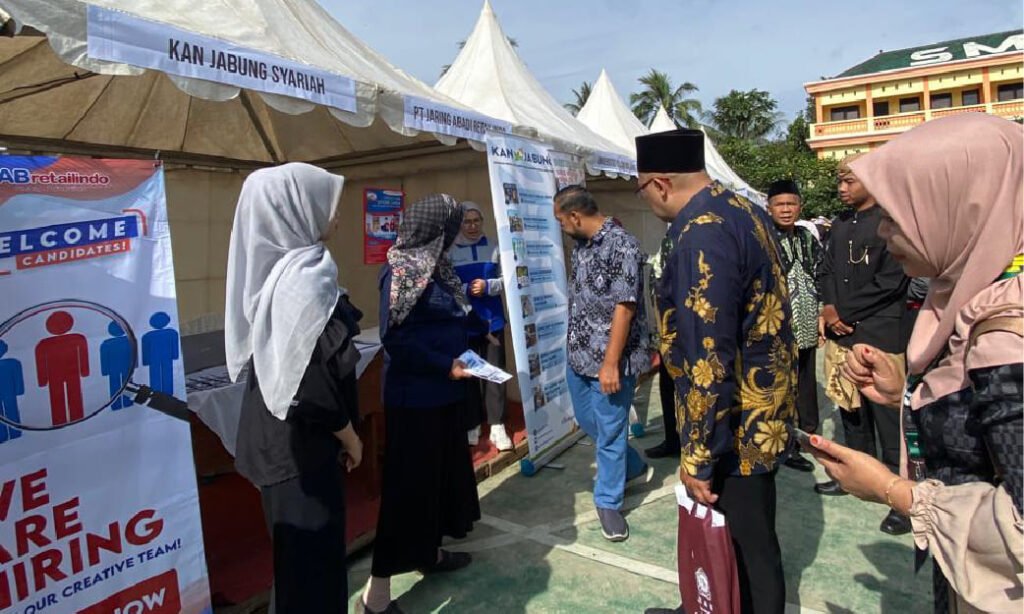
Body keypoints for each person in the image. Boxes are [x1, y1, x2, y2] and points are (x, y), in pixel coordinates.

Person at [808, 114, 1023, 613]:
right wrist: (907, 386)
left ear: (958, 207)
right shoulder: (974, 295)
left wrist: (893, 491)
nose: (883, 233)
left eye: (897, 216)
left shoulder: (1006, 337)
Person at [636, 129, 795, 614]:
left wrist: (699, 454)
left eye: (641, 189)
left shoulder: (698, 232)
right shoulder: (743, 209)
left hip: (733, 426)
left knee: (747, 549)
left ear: (661, 183)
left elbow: (708, 357)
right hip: (760, 409)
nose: (644, 199)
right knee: (753, 540)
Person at [226, 163, 363, 614]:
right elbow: (308, 384)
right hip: (297, 447)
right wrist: (349, 435)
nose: (337, 215)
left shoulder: (281, 272)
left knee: (299, 567)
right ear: (294, 210)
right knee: (312, 571)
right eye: (328, 203)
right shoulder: (302, 280)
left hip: (286, 441)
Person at [362, 194, 485, 614]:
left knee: (439, 481)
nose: (454, 232)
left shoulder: (437, 266)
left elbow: (450, 318)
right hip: (416, 401)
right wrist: (443, 363)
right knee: (409, 491)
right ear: (436, 229)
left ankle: (429, 554)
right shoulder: (401, 271)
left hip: (446, 395)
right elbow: (394, 338)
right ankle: (376, 596)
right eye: (451, 225)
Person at [817, 153, 912, 535]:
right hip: (843, 331)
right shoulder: (839, 225)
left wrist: (845, 312)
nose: (842, 189)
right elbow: (825, 270)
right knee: (850, 412)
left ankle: (902, 499)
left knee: (889, 419)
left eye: (849, 182)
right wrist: (828, 308)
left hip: (879, 332)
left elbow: (892, 281)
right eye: (840, 182)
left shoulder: (890, 223)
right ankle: (853, 477)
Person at [555, 185, 652, 543]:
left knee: (610, 433)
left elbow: (625, 307)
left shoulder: (622, 245)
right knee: (587, 421)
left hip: (611, 361)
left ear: (575, 216)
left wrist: (610, 364)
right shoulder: (580, 246)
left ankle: (609, 502)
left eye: (562, 221)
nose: (561, 227)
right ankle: (634, 464)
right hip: (578, 355)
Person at [449, 201, 513, 451]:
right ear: (460, 224)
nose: (473, 226)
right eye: (467, 221)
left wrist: (489, 286)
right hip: (463, 324)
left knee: (494, 372)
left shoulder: (497, 247)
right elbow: (448, 286)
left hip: (492, 320)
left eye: (477, 221)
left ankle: (497, 425)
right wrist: (467, 289)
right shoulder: (450, 252)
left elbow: (508, 279)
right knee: (468, 375)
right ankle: (472, 423)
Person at [766, 179, 819, 473]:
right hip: (777, 329)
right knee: (780, 388)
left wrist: (823, 313)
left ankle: (806, 437)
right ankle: (784, 445)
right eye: (780, 205)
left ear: (800, 206)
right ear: (769, 207)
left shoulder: (807, 238)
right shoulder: (763, 237)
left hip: (807, 327)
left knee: (806, 385)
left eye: (791, 204)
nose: (786, 210)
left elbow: (822, 274)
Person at [643, 239, 682, 460]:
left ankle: (692, 445)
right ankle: (672, 440)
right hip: (667, 334)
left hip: (693, 336)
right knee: (667, 387)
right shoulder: (667, 244)